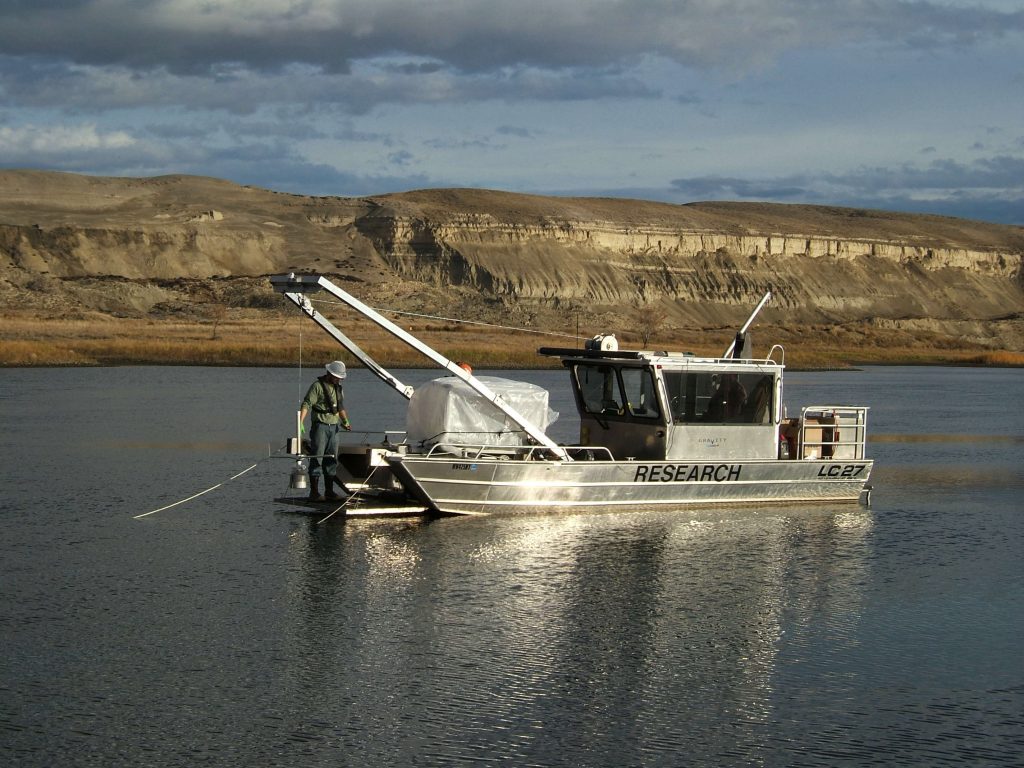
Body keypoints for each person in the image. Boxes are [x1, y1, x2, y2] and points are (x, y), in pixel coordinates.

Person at [299, 361, 351, 500]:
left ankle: (329, 491)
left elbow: (340, 407)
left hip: (334, 428)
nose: (338, 379)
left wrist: (345, 421)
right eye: (337, 377)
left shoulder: (339, 388)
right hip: (320, 427)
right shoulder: (317, 387)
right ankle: (314, 492)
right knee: (317, 457)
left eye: (340, 377)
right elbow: (306, 404)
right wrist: (300, 422)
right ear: (329, 374)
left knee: (332, 458)